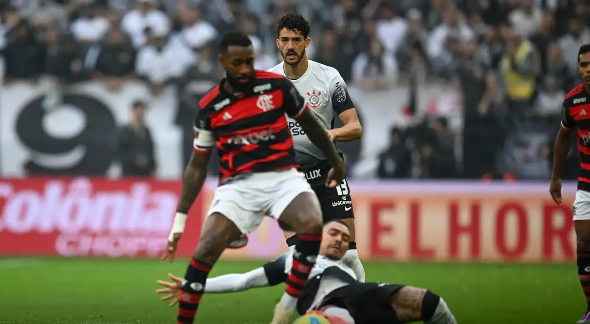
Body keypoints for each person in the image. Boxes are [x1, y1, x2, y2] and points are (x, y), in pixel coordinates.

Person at [161, 31, 346, 324]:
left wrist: (335, 160)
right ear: (222, 62)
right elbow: (197, 165)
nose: (245, 68)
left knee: (311, 223)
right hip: (238, 186)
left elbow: (310, 124)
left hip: (283, 177)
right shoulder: (210, 106)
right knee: (206, 250)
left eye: (249, 61)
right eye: (238, 63)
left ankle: (286, 306)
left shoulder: (276, 87)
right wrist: (180, 220)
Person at [231, 12, 365, 282]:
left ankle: (361, 306)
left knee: (347, 255)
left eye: (296, 40)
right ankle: (316, 310)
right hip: (289, 182)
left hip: (328, 174)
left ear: (307, 42)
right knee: (303, 258)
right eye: (285, 40)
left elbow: (355, 127)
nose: (290, 46)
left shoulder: (330, 78)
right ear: (278, 44)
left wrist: (332, 133)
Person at [156, 221, 458, 324]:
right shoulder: (293, 260)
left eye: (344, 237)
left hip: (358, 297)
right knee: (336, 315)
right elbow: (243, 281)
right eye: (334, 233)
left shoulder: (347, 266)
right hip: (326, 305)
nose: (339, 239)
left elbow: (361, 277)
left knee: (431, 303)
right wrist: (195, 285)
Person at [550, 43, 590, 324]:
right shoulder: (573, 102)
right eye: (584, 65)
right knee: (584, 243)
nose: (588, 70)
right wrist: (555, 177)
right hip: (587, 184)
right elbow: (563, 138)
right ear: (577, 69)